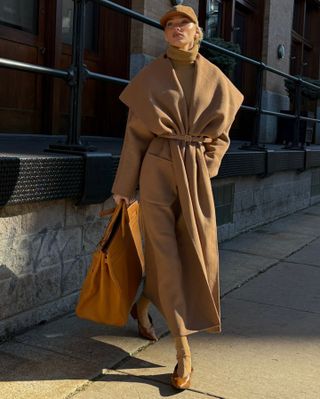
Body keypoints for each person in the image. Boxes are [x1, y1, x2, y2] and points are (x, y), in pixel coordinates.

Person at [112, 5, 243, 390]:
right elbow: (134, 138)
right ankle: (184, 352)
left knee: (197, 251)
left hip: (195, 173)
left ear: (197, 31)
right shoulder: (151, 76)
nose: (175, 28)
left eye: (182, 22)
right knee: (166, 255)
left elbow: (222, 136)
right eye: (168, 25)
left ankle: (144, 304)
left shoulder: (215, 78)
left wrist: (209, 164)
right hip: (156, 169)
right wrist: (123, 187)